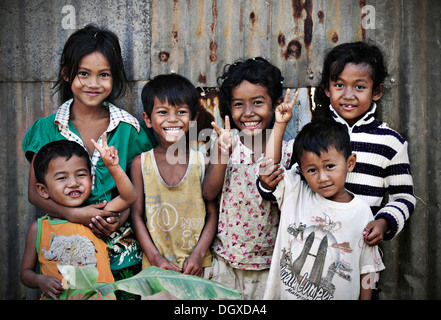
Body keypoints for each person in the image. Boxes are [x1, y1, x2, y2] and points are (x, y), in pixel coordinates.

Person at [21, 24, 155, 295]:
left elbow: (140, 189)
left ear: (114, 77)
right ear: (66, 72)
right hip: (65, 260)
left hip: (121, 256)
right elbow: (35, 194)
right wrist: (75, 214)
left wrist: (120, 216)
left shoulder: (130, 130)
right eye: (84, 74)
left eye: (103, 75)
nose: (94, 84)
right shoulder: (47, 128)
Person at [202, 57, 298, 300]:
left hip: (269, 265)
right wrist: (223, 153)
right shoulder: (224, 142)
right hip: (225, 262)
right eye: (238, 104)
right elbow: (209, 193)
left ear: (276, 104)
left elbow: (271, 170)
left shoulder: (288, 150)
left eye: (257, 102)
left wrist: (279, 126)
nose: (248, 112)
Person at [259, 116, 385, 300]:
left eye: (330, 166)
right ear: (300, 171)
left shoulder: (361, 212)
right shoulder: (296, 191)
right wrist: (279, 124)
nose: (322, 177)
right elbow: (268, 169)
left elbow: (368, 269)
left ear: (350, 163)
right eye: (312, 170)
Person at [313, 41, 415, 245]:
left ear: (376, 91)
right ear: (327, 89)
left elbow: (404, 197)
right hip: (315, 242)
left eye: (359, 87)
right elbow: (294, 185)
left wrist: (384, 222)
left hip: (362, 248)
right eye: (339, 85)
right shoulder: (313, 135)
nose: (348, 95)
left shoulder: (390, 142)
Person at [130, 74, 218, 296]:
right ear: (147, 119)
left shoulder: (202, 161)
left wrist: (198, 254)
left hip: (198, 268)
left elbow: (212, 215)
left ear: (193, 118)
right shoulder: (141, 164)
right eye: (162, 112)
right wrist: (155, 257)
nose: (172, 119)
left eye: (181, 112)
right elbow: (136, 216)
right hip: (156, 269)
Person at [20, 138, 137, 300]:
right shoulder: (39, 228)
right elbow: (25, 273)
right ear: (43, 190)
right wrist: (40, 280)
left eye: (81, 175)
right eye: (62, 178)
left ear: (91, 178)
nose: (73, 183)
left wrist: (113, 167)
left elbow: (129, 197)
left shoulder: (95, 216)